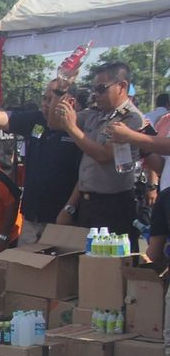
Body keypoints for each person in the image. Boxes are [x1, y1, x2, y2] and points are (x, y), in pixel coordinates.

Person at [0, 61, 83, 243]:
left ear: (70, 102)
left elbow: (85, 175)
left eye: (51, 99)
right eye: (44, 98)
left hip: (62, 219)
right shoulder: (35, 120)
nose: (45, 104)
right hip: (32, 217)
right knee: (26, 269)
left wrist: (69, 208)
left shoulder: (80, 128)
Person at [52, 62, 145, 250]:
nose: (96, 94)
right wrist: (60, 92)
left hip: (114, 205)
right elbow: (54, 123)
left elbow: (103, 155)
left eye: (102, 88)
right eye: (95, 89)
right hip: (87, 204)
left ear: (122, 86)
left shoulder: (130, 118)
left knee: (111, 270)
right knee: (85, 265)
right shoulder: (95, 113)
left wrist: (71, 128)